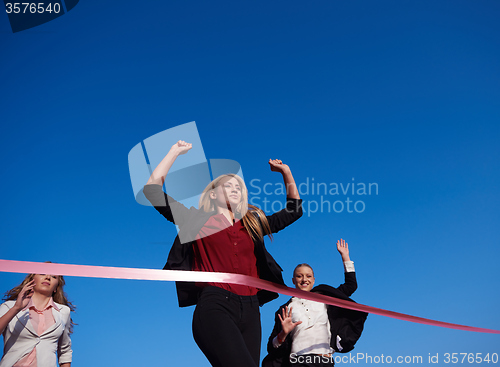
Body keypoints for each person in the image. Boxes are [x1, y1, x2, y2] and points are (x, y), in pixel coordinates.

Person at [143, 140, 303, 367]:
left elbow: (294, 210)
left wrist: (286, 172)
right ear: (212, 194)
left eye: (239, 187)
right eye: (228, 186)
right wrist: (174, 152)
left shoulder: (253, 224)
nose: (235, 189)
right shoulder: (196, 220)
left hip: (251, 310)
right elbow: (152, 191)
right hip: (215, 305)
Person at [262, 239, 368, 367]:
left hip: (324, 360)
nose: (304, 279)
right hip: (298, 361)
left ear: (313, 280)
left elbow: (351, 286)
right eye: (299, 276)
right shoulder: (286, 309)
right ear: (293, 280)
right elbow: (271, 347)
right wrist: (283, 333)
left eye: (308, 276)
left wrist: (345, 257)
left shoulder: (325, 298)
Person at [0, 270, 74, 367]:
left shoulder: (64, 312)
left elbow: (65, 351)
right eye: (42, 273)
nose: (48, 277)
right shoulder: (9, 307)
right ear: (31, 280)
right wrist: (16, 308)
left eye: (54, 277)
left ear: (56, 287)